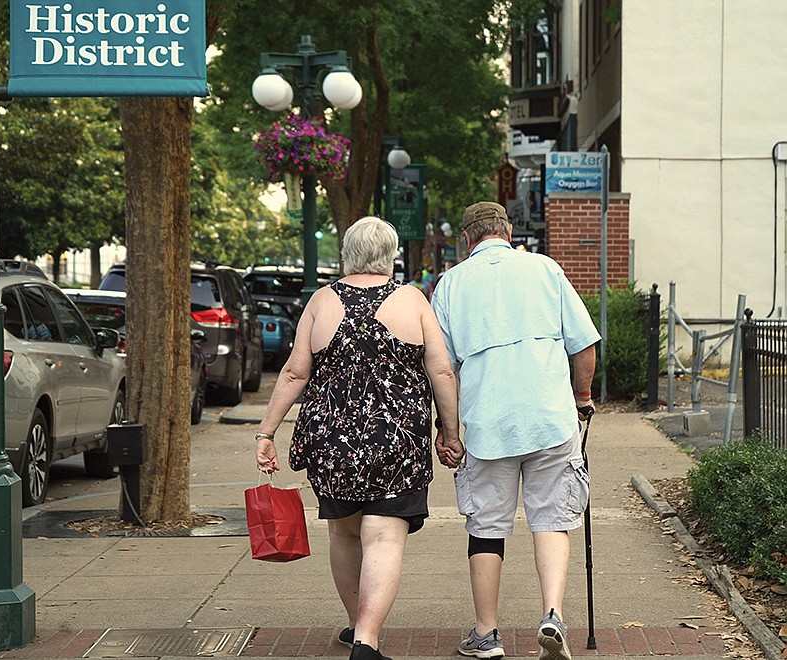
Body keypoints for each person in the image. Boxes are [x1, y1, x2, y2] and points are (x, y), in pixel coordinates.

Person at [255, 216, 463, 660]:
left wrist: (266, 432)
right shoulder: (412, 300)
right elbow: (441, 370)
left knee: (346, 535)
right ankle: (367, 638)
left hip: (332, 443)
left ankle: (355, 623)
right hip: (396, 442)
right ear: (390, 254)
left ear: (348, 253)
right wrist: (450, 433)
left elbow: (294, 372)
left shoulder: (321, 300)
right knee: (384, 538)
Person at [431, 202, 600, 660]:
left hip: (489, 424)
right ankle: (552, 615)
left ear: (468, 241)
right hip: (550, 418)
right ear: (508, 232)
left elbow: (443, 369)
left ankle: (487, 634)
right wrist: (581, 398)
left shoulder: (450, 284)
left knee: (486, 526)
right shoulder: (545, 269)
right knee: (552, 518)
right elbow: (584, 346)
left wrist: (449, 431)